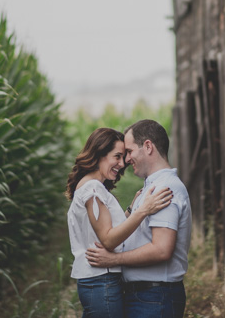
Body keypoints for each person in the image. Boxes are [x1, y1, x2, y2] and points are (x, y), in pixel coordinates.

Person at [86, 119, 192, 318]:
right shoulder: (151, 187)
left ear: (148, 146)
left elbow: (161, 249)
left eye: (129, 151)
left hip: (154, 297)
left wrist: (114, 259)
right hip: (147, 296)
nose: (126, 160)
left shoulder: (164, 189)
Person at [66, 127, 173, 318]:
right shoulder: (93, 189)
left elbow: (107, 230)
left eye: (123, 157)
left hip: (98, 281)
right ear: (99, 154)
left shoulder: (92, 186)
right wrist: (143, 211)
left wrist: (130, 210)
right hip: (101, 281)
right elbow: (108, 240)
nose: (122, 163)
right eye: (117, 156)